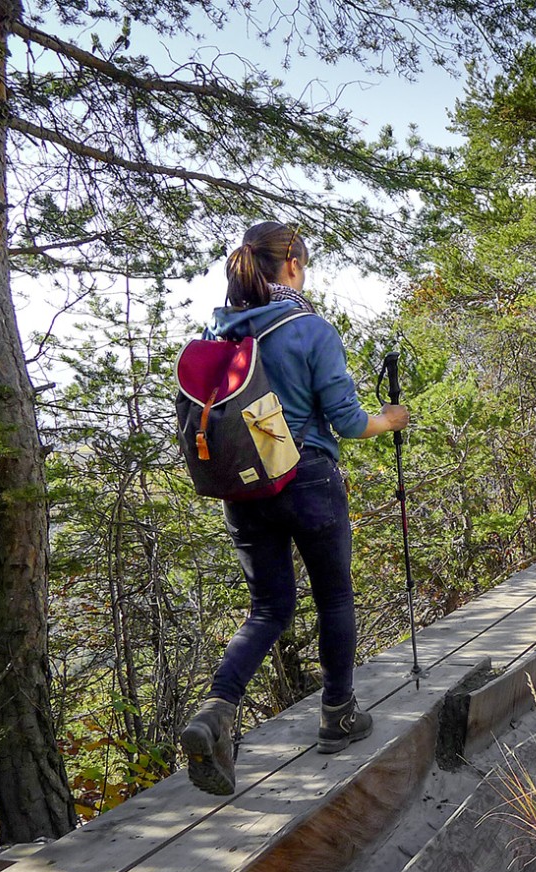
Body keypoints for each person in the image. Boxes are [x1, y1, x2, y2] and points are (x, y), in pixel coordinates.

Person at [180, 221, 409, 796]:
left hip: (244, 486)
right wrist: (391, 420)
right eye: (302, 262)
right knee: (333, 594)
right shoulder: (309, 329)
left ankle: (217, 709)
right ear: (292, 266)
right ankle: (338, 716)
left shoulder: (221, 332)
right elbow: (351, 423)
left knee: (268, 608)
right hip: (305, 477)